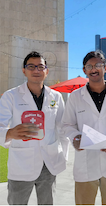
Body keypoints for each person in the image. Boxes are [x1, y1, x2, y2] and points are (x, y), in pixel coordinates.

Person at [61, 51, 106, 205]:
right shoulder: (75, 97)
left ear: (105, 67)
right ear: (84, 70)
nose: (94, 69)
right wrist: (75, 138)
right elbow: (67, 124)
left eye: (98, 65)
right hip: (85, 163)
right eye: (89, 66)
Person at [0, 51, 68, 205]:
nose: (36, 70)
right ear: (24, 70)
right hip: (21, 163)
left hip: (49, 163)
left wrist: (63, 155)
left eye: (40, 66)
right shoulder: (11, 96)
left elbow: (63, 128)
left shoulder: (56, 97)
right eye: (31, 66)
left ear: (46, 71)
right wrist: (9, 133)